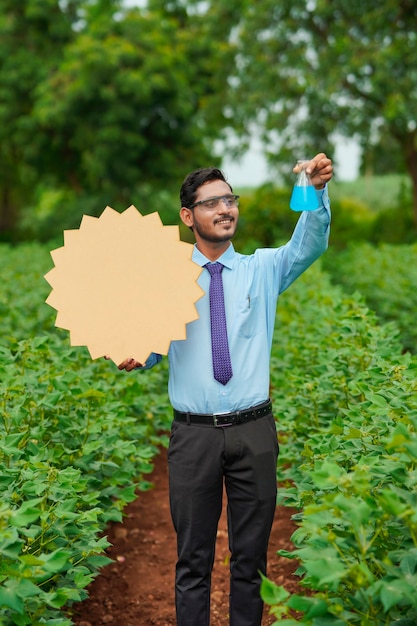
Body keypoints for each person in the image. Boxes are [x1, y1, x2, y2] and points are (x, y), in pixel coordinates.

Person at [117, 153, 333, 626]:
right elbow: (152, 345)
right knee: (192, 561)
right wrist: (136, 351)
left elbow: (309, 242)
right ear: (188, 216)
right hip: (193, 437)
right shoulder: (168, 280)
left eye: (229, 199)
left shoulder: (264, 269)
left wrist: (314, 193)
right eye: (212, 202)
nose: (225, 209)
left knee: (250, 561)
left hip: (254, 432)